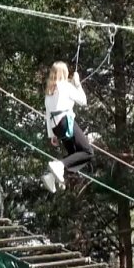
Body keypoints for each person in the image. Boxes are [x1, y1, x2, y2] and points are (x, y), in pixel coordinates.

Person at [42, 61, 93, 193]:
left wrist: (52, 135)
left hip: (57, 128)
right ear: (64, 73)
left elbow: (47, 115)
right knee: (87, 152)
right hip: (66, 123)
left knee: (73, 155)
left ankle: (51, 176)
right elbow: (83, 101)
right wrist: (77, 83)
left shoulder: (49, 92)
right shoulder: (65, 86)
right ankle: (58, 165)